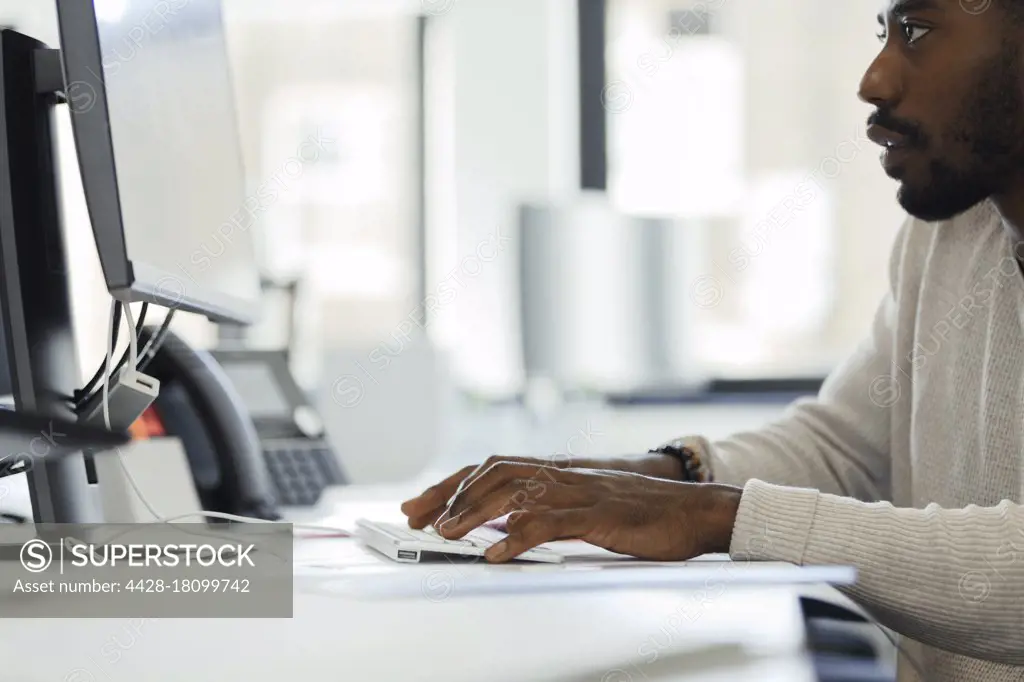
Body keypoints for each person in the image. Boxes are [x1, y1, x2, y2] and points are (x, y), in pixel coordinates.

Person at [400, 1, 1024, 680]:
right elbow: (843, 450)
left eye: (917, 31)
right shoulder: (951, 230)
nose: (874, 81)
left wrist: (716, 516)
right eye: (884, 34)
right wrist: (648, 477)